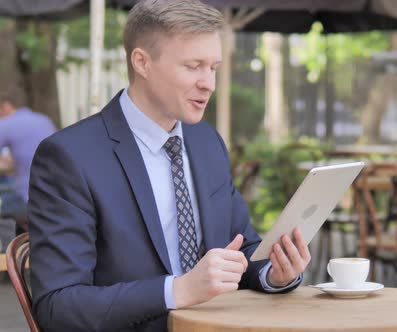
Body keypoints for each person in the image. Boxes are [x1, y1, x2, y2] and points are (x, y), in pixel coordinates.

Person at [28, 1, 311, 331]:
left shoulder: (206, 142)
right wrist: (178, 290)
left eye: (213, 68)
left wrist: (273, 272)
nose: (209, 83)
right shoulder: (69, 157)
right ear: (142, 62)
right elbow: (58, 308)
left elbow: (241, 248)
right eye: (194, 66)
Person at [0, 95, 55, 226]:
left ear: (6, 106)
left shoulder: (6, 124)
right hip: (53, 193)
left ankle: (7, 244)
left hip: (26, 196)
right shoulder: (44, 119)